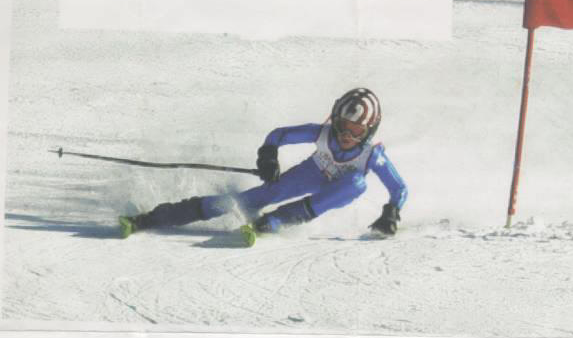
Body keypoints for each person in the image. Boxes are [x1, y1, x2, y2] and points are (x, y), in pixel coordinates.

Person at [119, 88, 408, 238]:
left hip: (337, 190)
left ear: (369, 131)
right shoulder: (322, 133)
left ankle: (278, 220)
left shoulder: (373, 156)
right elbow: (278, 135)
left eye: (356, 131)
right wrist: (268, 156)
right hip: (312, 173)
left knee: (357, 184)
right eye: (343, 126)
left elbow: (399, 189)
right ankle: (153, 218)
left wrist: (391, 212)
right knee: (250, 199)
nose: (346, 136)